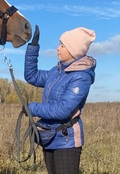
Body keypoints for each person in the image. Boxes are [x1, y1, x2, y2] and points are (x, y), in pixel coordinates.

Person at [24, 25, 96, 174]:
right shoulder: (56, 72)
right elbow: (32, 76)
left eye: (62, 45)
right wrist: (33, 47)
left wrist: (32, 108)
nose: (58, 48)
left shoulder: (81, 76)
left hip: (66, 141)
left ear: (73, 50)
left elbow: (62, 110)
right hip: (49, 137)